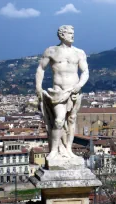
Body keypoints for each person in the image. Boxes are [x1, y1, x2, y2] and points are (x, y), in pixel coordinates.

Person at [36, 25, 89, 159]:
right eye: (70, 33)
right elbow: (41, 69)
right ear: (62, 35)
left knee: (71, 119)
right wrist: (38, 88)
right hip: (58, 91)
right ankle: (54, 150)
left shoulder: (79, 53)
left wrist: (79, 85)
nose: (73, 36)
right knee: (59, 120)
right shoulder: (51, 51)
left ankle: (68, 149)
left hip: (75, 91)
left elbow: (85, 72)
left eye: (73, 33)